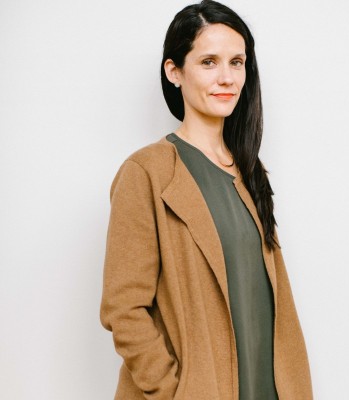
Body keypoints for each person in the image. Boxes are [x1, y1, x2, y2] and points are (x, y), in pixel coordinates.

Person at [100, 1, 313, 399]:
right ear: (174, 71)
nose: (227, 77)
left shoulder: (251, 171)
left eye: (237, 62)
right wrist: (173, 390)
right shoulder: (146, 172)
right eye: (209, 62)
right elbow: (123, 308)